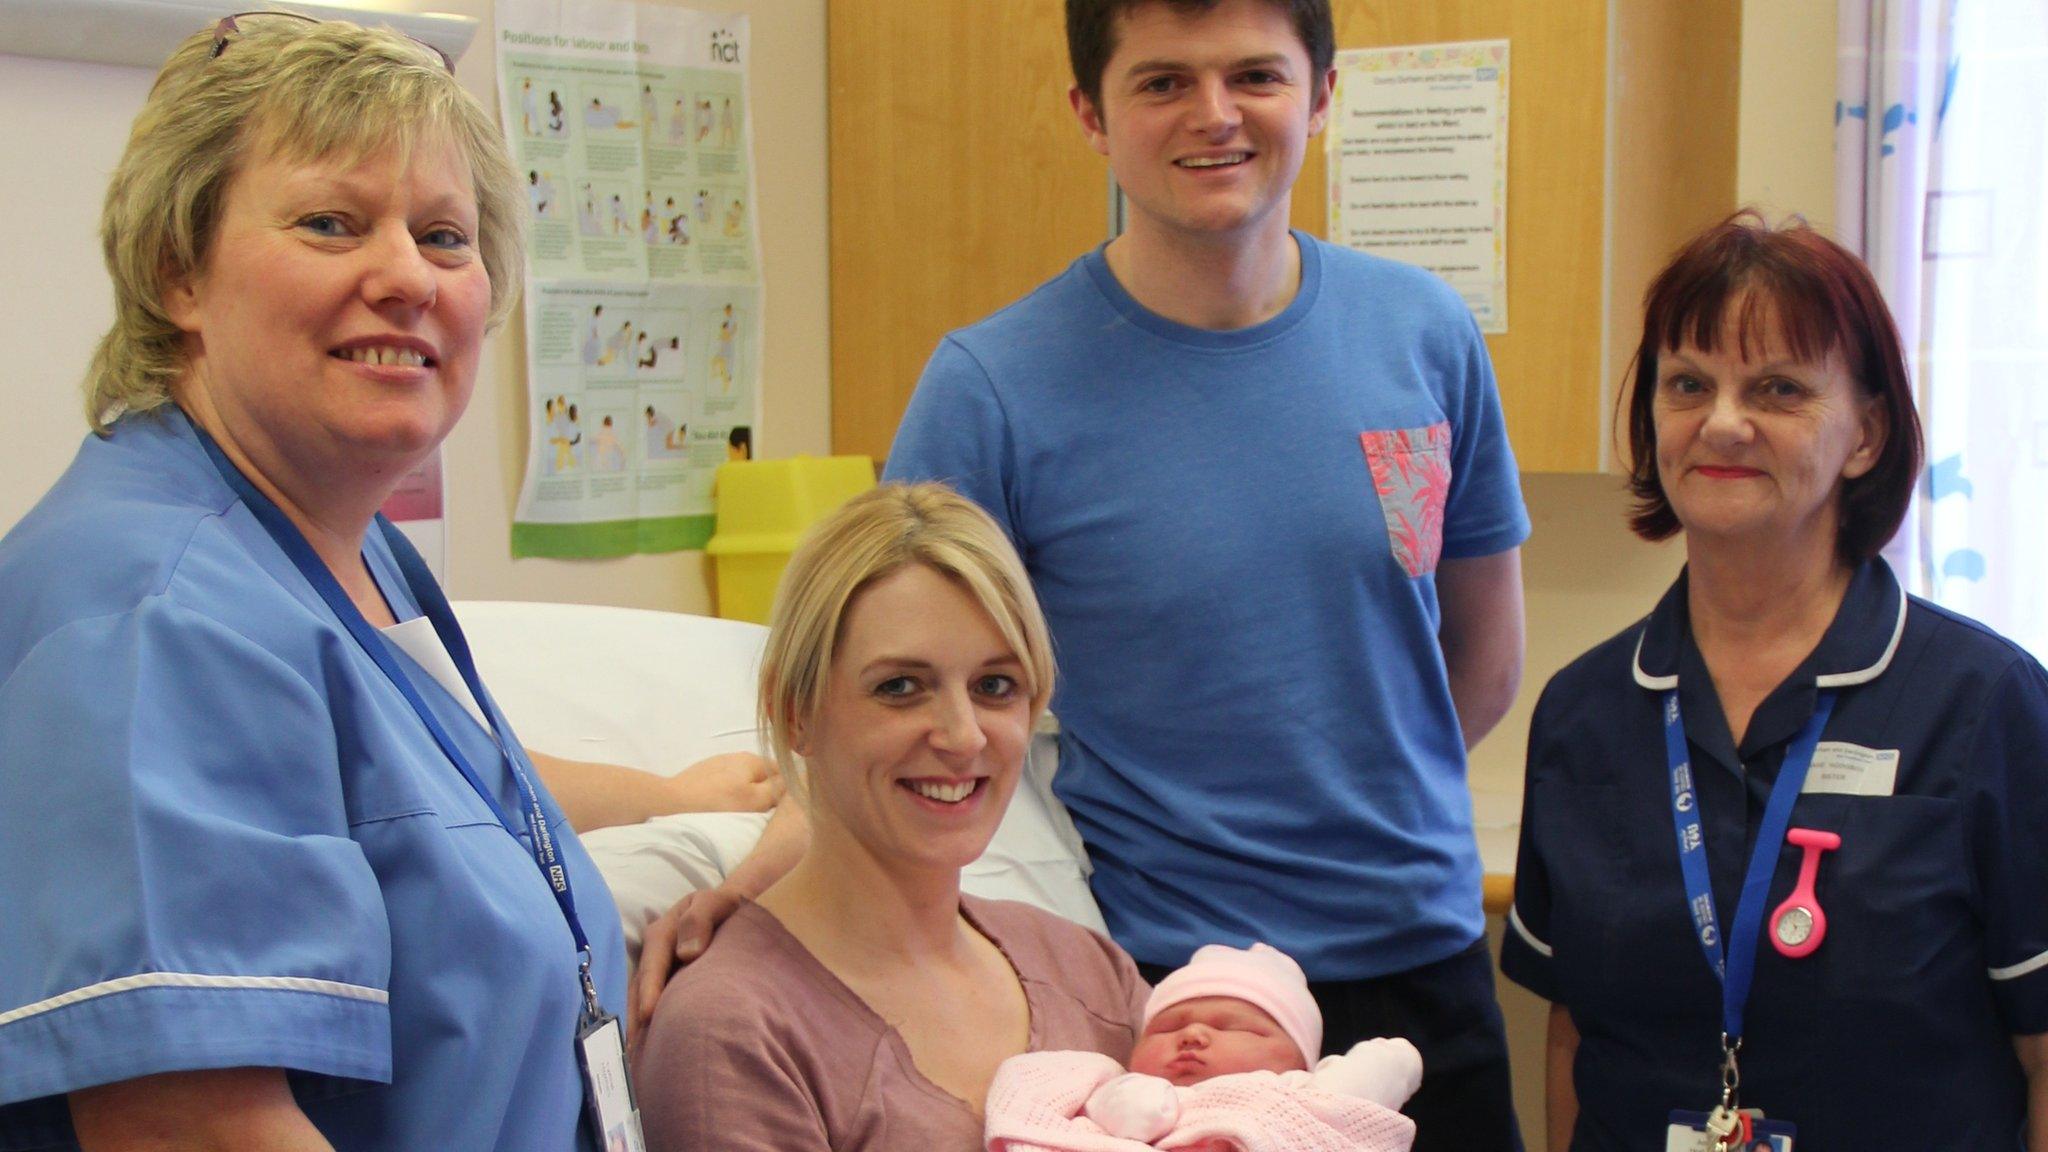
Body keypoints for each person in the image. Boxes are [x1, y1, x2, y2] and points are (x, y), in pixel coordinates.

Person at [0, 16, 774, 1148]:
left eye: (445, 237)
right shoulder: (154, 617)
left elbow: (425, 799)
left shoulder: (345, 550)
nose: (407, 276)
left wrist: (675, 796)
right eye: (331, 223)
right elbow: (196, 1126)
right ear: (178, 270)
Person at [881, 3, 1529, 1147]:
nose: (1213, 115)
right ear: (1092, 114)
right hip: (1158, 1000)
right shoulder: (990, 387)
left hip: (1419, 966)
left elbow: (1480, 659)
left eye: (1254, 76)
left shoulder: (1423, 333)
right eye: (1163, 81)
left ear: (1321, 95)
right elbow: (885, 697)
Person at [1500, 213, 2048, 1151]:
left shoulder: (1985, 702)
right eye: (1688, 384)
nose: (1721, 421)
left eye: (1778, 388)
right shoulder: (1585, 711)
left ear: (1867, 435)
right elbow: (1573, 1035)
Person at [633, 483, 1151, 1151]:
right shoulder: (736, 1033)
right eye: (900, 688)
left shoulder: (1088, 973)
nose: (963, 737)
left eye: (995, 686)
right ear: (797, 712)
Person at [986, 943, 1422, 1151]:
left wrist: (1392, 1061)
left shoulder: (1303, 1098)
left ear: (1298, 1056)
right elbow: (1124, 1116)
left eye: (1231, 1027)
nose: (1192, 1035)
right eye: (1167, 1027)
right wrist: (1131, 1100)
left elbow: (1363, 1087)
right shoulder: (1102, 1088)